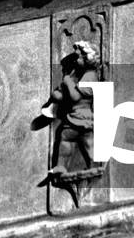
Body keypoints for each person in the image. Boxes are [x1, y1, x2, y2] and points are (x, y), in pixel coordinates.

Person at [40, 41, 100, 176]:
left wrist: (67, 82)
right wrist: (57, 96)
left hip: (83, 117)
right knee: (65, 138)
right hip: (73, 116)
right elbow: (68, 98)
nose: (75, 60)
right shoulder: (80, 75)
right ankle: (61, 166)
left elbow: (75, 97)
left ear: (88, 59)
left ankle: (94, 165)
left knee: (89, 143)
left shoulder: (90, 76)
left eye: (78, 57)